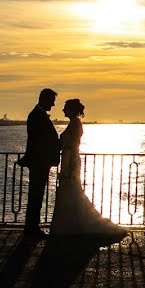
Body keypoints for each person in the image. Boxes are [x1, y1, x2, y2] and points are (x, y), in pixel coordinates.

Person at [50, 98, 127, 239]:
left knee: (71, 191)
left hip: (70, 160)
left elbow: (71, 145)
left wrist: (67, 167)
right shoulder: (74, 123)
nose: (63, 110)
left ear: (71, 110)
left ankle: (71, 226)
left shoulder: (74, 124)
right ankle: (72, 225)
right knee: (71, 193)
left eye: (65, 108)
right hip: (70, 158)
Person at [21, 88, 61, 239]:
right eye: (52, 101)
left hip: (39, 162)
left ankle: (32, 227)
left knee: (36, 195)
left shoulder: (37, 114)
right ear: (44, 99)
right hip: (39, 163)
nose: (53, 105)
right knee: (35, 196)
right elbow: (39, 141)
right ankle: (31, 229)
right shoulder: (36, 116)